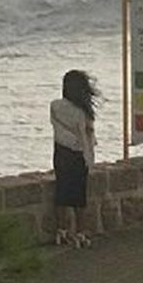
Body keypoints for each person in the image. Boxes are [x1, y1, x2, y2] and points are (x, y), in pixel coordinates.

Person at [50, 69, 100, 249]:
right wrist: (90, 158)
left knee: (62, 193)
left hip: (60, 152)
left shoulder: (55, 106)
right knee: (79, 196)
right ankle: (80, 233)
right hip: (78, 155)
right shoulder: (83, 112)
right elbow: (88, 137)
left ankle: (61, 231)